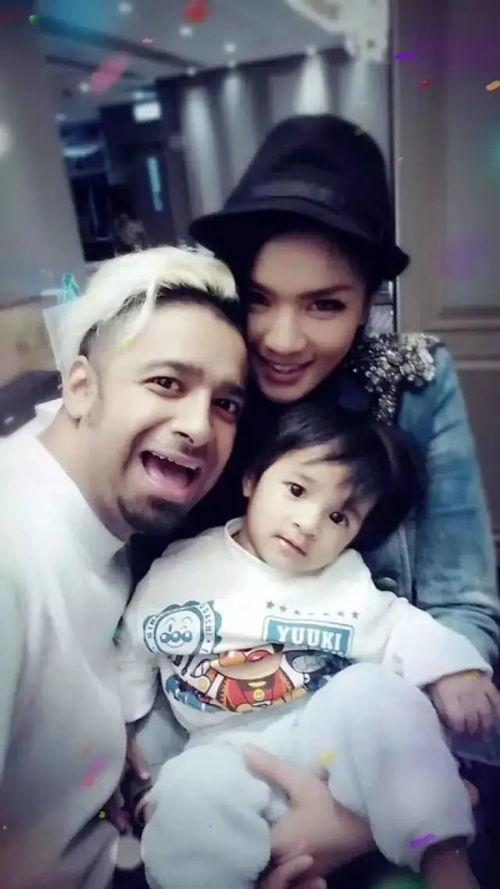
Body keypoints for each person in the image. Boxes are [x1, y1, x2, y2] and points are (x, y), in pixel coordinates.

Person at [184, 113, 500, 887]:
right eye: (259, 298)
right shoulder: (200, 388)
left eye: (324, 304)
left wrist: (359, 812)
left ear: (367, 303)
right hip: (218, 750)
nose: (282, 338)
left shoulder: (413, 383)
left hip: (392, 739)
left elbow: (462, 602)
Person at [119, 403, 499, 889]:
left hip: (329, 748)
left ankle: (442, 857)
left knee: (374, 691)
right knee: (186, 790)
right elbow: (133, 655)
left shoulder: (344, 581)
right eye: (297, 491)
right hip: (224, 750)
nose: (309, 522)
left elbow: (403, 627)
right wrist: (124, 729)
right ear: (252, 479)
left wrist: (457, 670)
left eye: (339, 516)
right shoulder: (179, 570)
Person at [0, 246, 247, 889]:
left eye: (226, 404)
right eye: (167, 382)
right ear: (81, 387)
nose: (200, 428)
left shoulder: (110, 520)